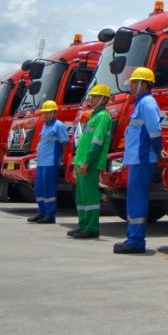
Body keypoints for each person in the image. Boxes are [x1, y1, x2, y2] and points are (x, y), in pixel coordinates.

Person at [114, 67, 161, 254]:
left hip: (143, 159)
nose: (131, 85)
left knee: (137, 198)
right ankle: (133, 237)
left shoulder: (147, 103)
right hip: (137, 159)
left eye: (134, 82)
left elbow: (155, 131)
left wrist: (158, 151)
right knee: (134, 198)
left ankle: (136, 240)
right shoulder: (140, 103)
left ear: (143, 84)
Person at [68, 84, 113, 240]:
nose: (91, 99)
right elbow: (85, 142)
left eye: (95, 96)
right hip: (83, 162)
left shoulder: (103, 117)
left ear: (103, 99)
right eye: (92, 96)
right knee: (82, 197)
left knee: (90, 196)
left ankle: (92, 228)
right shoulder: (94, 116)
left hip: (90, 163)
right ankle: (83, 226)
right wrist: (78, 162)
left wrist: (87, 161)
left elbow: (97, 142)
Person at [29, 101, 69, 224]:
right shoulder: (45, 125)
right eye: (43, 113)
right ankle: (42, 213)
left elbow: (65, 144)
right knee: (39, 189)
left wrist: (61, 159)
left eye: (47, 113)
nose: (44, 115)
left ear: (53, 112)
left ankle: (50, 215)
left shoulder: (59, 126)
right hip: (41, 163)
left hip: (51, 163)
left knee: (49, 189)